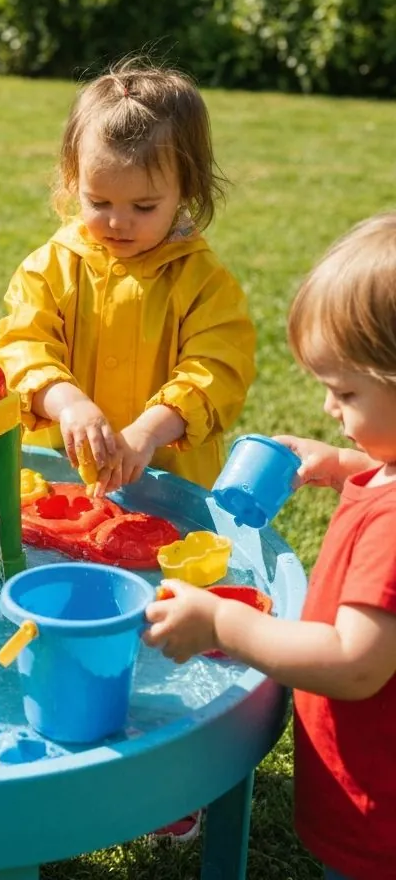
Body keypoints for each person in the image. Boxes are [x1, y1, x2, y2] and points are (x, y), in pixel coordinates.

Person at [0, 56, 256, 841]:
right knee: (67, 617)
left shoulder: (203, 282)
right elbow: (21, 346)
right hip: (65, 498)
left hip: (167, 498)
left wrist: (151, 427)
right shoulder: (50, 266)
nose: (116, 222)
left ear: (187, 192)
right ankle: (56, 733)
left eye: (144, 205)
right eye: (98, 200)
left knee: (163, 634)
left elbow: (218, 367)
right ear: (69, 181)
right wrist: (63, 397)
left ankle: (166, 773)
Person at [145, 212, 396, 880]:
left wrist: (223, 622)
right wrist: (345, 465)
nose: (329, 409)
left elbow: (354, 663)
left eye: (346, 392)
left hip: (380, 813)